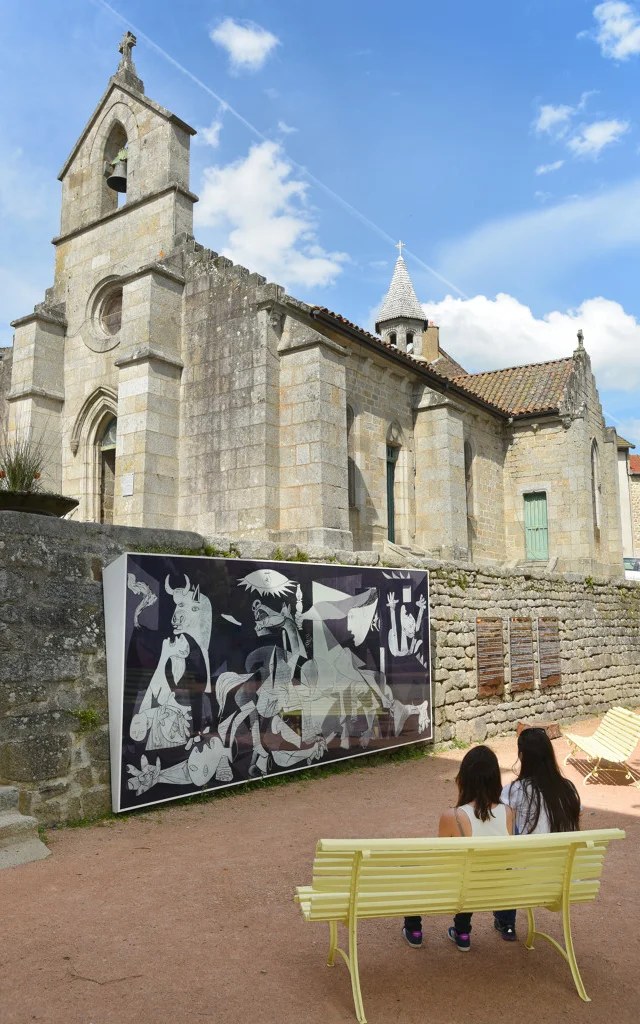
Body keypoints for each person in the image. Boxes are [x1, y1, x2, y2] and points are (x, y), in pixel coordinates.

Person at [402, 745, 516, 952]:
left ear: (464, 778)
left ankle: (414, 929)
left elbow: (442, 861)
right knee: (473, 871)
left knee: (415, 869)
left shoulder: (453, 816)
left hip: (459, 888)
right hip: (493, 889)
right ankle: (462, 933)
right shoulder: (508, 813)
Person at [502, 727, 581, 836]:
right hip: (565, 852)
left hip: (531, 851)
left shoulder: (514, 790)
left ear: (521, 756)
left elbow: (503, 821)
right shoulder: (568, 787)